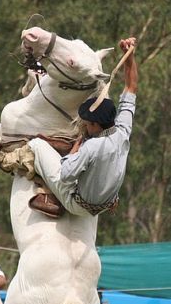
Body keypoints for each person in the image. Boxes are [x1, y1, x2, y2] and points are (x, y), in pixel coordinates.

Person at [27, 37, 138, 217]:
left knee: (36, 145)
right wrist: (130, 57)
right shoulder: (123, 129)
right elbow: (131, 87)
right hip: (106, 203)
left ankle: (49, 198)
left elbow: (65, 175)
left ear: (96, 124)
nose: (84, 124)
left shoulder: (90, 147)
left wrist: (77, 146)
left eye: (86, 122)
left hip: (78, 206)